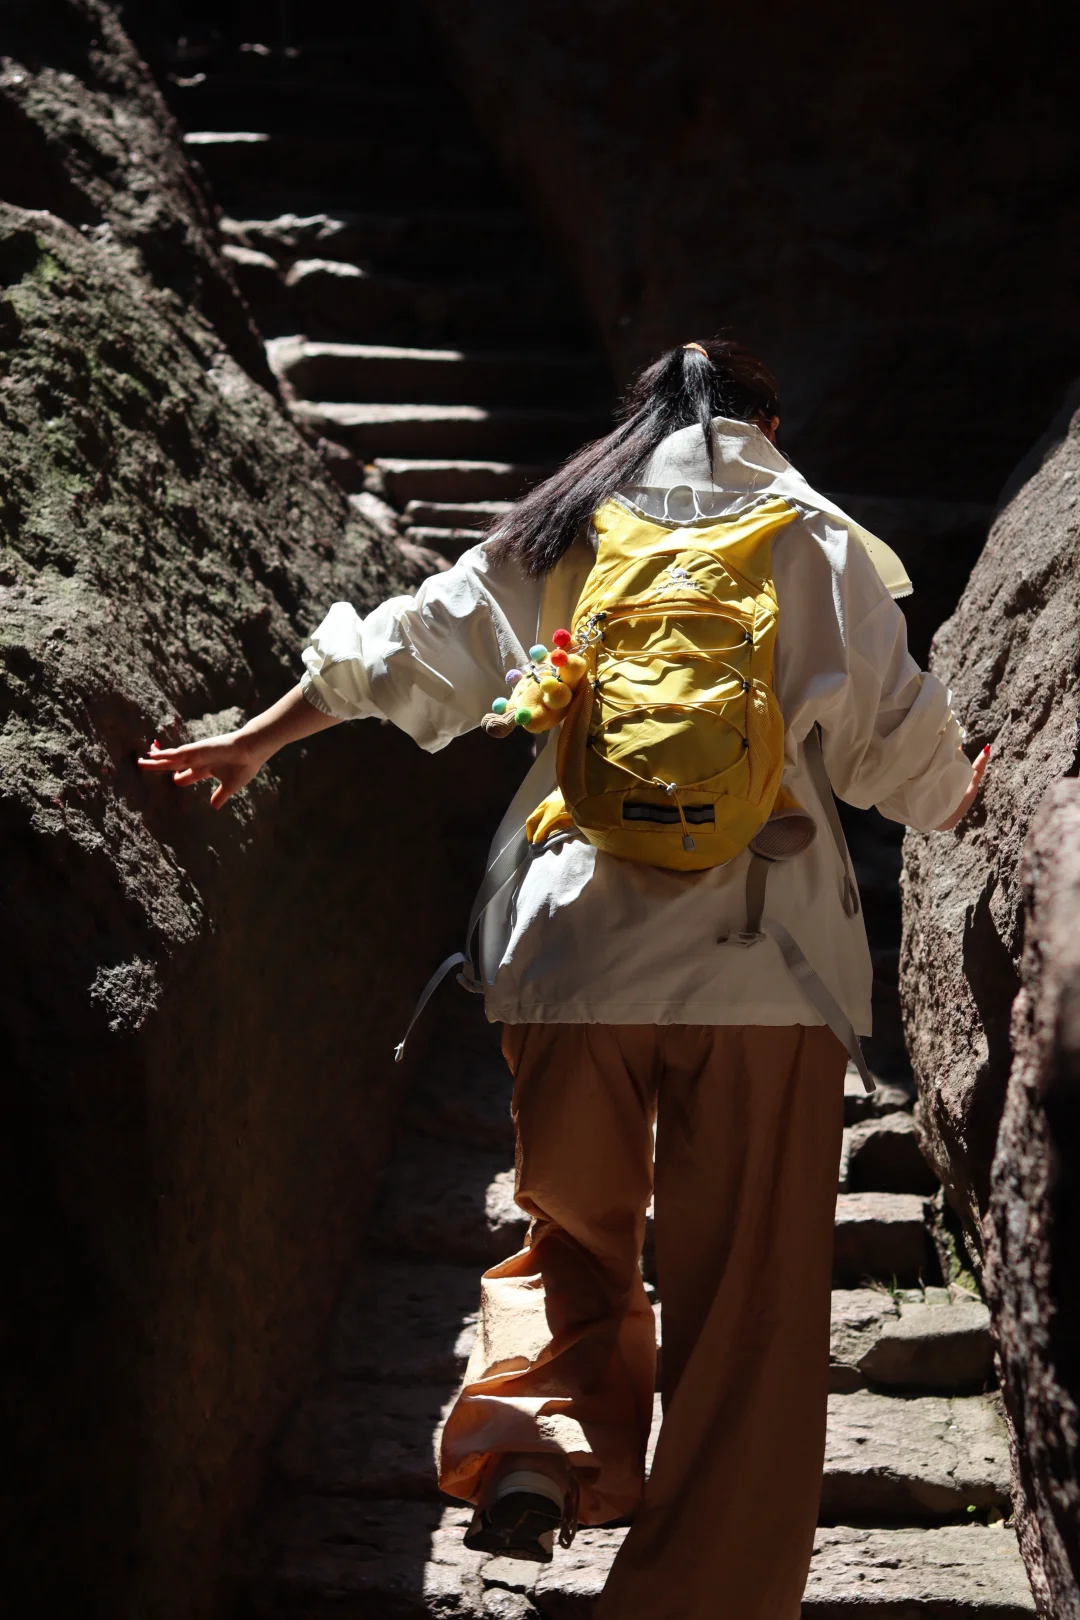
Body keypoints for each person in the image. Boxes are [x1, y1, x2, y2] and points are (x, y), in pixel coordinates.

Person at [139, 339, 987, 1620]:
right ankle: (696, 1597)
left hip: (570, 949)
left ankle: (535, 1447)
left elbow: (406, 650)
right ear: (770, 422)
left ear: (633, 419)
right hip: (764, 972)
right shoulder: (812, 536)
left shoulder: (567, 526)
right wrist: (969, 787)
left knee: (572, 1234)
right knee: (748, 1305)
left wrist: (254, 742)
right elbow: (896, 766)